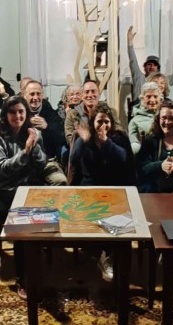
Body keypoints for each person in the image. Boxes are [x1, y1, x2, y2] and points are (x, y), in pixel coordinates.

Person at [0, 96, 68, 300]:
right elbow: (2, 169)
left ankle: (39, 265)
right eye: (12, 112)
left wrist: (35, 145)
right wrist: (25, 152)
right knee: (23, 223)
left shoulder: (32, 133)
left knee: (48, 212)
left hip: (25, 187)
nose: (17, 116)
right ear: (5, 115)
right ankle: (23, 277)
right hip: (0, 189)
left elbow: (42, 163)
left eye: (21, 111)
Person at [67, 102, 134, 282]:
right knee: (95, 212)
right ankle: (103, 254)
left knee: (117, 215)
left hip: (115, 187)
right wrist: (84, 140)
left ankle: (112, 258)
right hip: (90, 188)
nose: (103, 125)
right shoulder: (85, 138)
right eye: (99, 122)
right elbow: (73, 160)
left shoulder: (119, 137)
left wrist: (106, 143)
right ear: (93, 122)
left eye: (106, 122)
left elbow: (124, 159)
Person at [126, 27, 173, 102]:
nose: (152, 67)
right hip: (140, 108)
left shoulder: (162, 80)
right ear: (145, 67)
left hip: (158, 108)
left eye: (155, 65)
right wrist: (130, 43)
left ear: (158, 68)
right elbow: (133, 61)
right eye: (149, 64)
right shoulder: (139, 77)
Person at [64, 79, 123, 148]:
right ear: (82, 96)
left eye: (93, 91)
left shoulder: (110, 112)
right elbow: (70, 139)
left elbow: (119, 132)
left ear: (99, 94)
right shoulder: (72, 115)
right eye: (87, 92)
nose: (90, 95)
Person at [22, 80, 67, 163]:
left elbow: (61, 139)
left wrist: (47, 127)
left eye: (38, 94)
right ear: (24, 95)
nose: (35, 98)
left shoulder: (50, 113)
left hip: (47, 159)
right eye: (32, 94)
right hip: (23, 158)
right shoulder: (18, 112)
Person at [128, 82, 162, 154]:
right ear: (142, 99)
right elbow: (133, 143)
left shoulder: (165, 115)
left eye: (155, 96)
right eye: (148, 97)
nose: (152, 100)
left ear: (160, 98)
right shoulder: (135, 121)